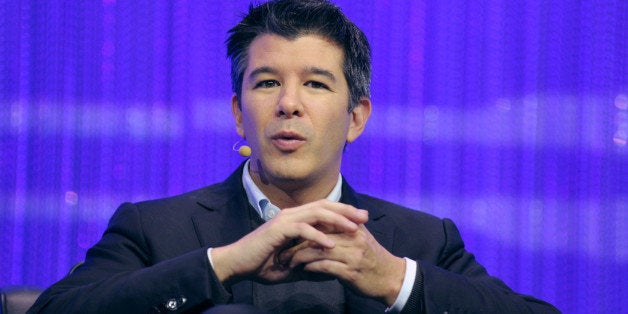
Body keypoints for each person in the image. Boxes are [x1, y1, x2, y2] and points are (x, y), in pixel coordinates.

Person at [28, 0, 559, 313]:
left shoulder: (419, 240)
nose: (288, 103)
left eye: (315, 84)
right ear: (238, 113)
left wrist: (396, 280)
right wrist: (223, 263)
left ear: (356, 117)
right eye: (266, 82)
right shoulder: (154, 228)